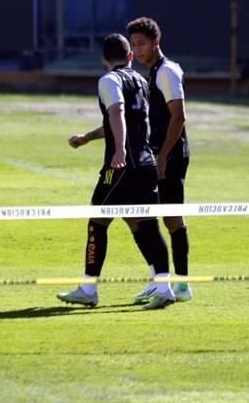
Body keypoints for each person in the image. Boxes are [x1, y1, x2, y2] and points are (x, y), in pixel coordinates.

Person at [58, 33, 176, 310]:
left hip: (121, 166)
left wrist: (119, 151)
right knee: (141, 222)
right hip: (145, 163)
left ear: (103, 58)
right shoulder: (141, 81)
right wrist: (88, 137)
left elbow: (117, 113)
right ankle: (164, 286)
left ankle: (88, 288)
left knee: (97, 220)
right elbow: (130, 121)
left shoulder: (108, 80)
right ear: (130, 56)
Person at [126, 16, 192, 304]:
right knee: (150, 216)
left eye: (141, 44)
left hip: (171, 155)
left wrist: (164, 157)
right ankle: (165, 281)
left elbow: (179, 116)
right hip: (158, 154)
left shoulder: (166, 72)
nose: (137, 50)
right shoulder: (154, 72)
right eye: (133, 45)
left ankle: (179, 285)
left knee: (168, 218)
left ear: (156, 42)